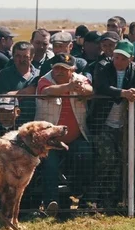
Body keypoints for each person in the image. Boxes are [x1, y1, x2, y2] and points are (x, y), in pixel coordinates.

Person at [90, 40, 135, 206]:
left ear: (130, 59)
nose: (118, 61)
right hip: (102, 123)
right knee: (107, 159)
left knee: (120, 162)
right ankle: (92, 196)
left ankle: (110, 200)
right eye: (116, 57)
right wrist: (123, 93)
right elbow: (101, 86)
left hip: (124, 125)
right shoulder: (103, 65)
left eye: (123, 58)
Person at [35, 53, 93, 215]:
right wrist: (68, 88)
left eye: (64, 69)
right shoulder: (44, 80)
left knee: (85, 155)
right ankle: (50, 204)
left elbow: (90, 89)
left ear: (72, 70)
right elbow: (46, 91)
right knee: (50, 166)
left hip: (76, 137)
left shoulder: (79, 79)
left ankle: (78, 192)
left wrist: (83, 89)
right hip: (49, 140)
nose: (59, 72)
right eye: (57, 68)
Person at [0, 41, 39, 125]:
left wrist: (14, 94)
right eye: (18, 56)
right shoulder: (5, 74)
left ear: (32, 57)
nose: (21, 60)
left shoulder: (39, 75)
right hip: (13, 123)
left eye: (25, 57)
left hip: (36, 121)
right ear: (13, 56)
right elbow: (5, 98)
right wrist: (29, 91)